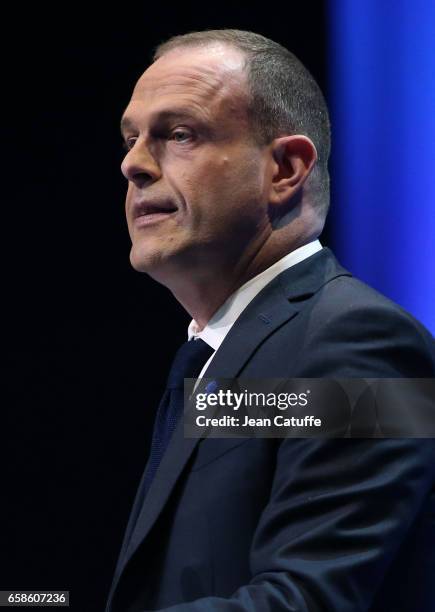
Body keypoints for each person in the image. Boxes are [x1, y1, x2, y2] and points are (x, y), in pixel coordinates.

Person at [106, 29, 435, 612]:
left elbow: (309, 598)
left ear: (285, 168)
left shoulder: (360, 343)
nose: (133, 165)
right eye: (131, 139)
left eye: (178, 135)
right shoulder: (222, 357)